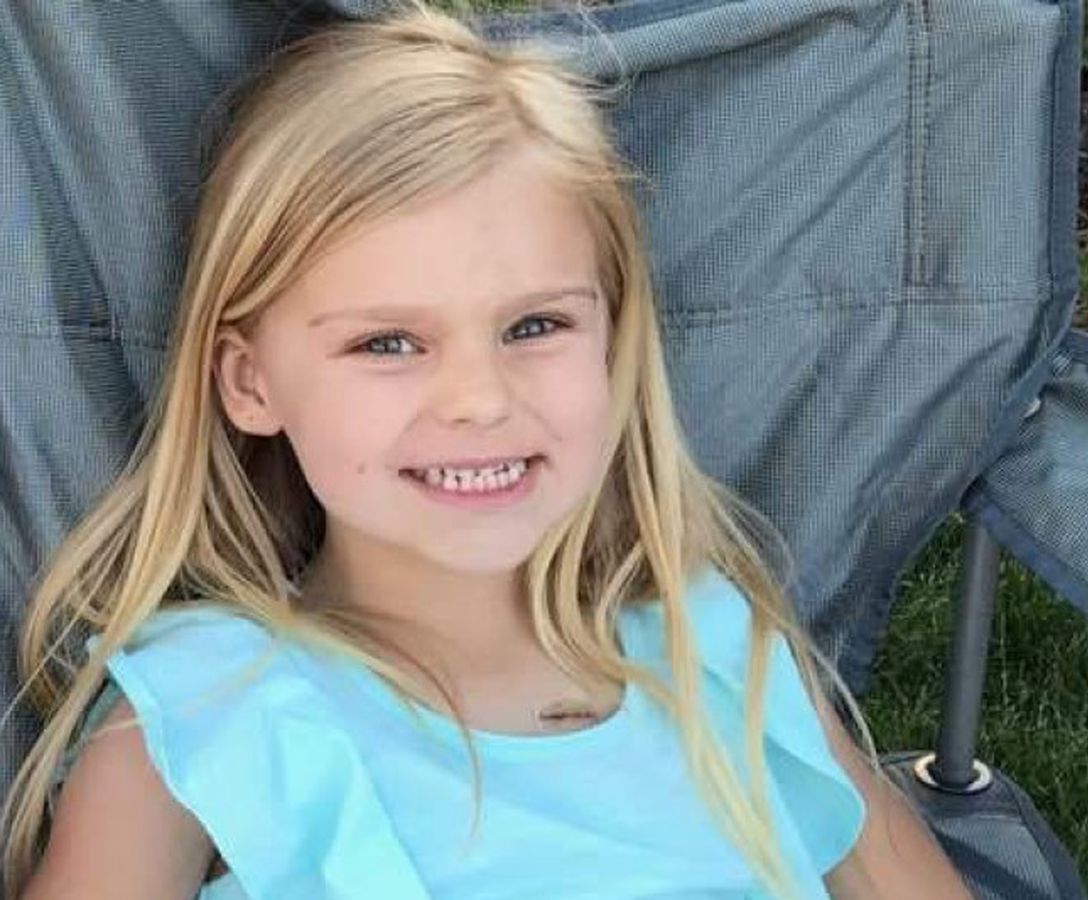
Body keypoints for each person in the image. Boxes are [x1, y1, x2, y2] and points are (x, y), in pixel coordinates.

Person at [1, 4, 972, 898]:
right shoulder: (208, 714)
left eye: (535, 326)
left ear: (613, 339)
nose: (479, 399)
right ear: (251, 383)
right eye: (388, 343)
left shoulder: (717, 657)